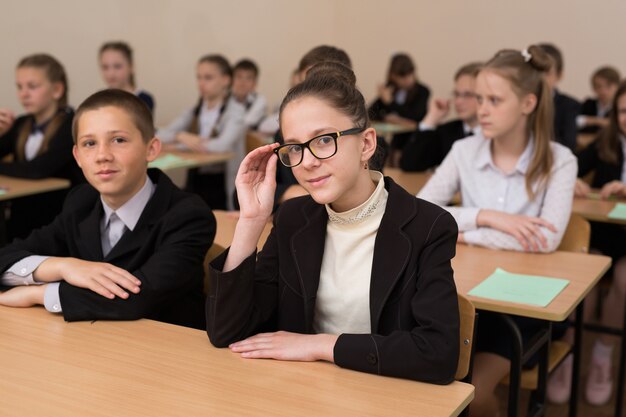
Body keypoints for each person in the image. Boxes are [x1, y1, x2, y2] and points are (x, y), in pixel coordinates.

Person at [206, 62, 460, 384]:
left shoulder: (428, 226)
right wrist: (251, 222)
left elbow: (438, 353)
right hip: (301, 391)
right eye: (295, 147)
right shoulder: (293, 218)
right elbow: (227, 331)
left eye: (324, 140)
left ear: (366, 144)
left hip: (385, 394)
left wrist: (319, 345)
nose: (308, 162)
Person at [418, 46, 577, 416]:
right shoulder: (463, 150)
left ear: (528, 103)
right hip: (464, 293)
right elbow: (422, 213)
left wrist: (460, 229)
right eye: (478, 98)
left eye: (494, 99)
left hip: (521, 305)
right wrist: (488, 217)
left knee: (471, 393)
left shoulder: (560, 160)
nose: (481, 109)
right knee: (431, 384)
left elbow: (545, 239)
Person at [0, 89, 215, 330]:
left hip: (165, 354)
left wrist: (38, 294)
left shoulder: (188, 215)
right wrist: (64, 266)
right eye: (89, 144)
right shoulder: (81, 202)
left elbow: (137, 298)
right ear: (78, 157)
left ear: (151, 149)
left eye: (118, 140)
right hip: (92, 345)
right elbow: (6, 256)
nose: (102, 155)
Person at [547, 80, 626, 406]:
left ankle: (602, 355)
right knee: (582, 276)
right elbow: (569, 165)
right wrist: (575, 180)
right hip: (604, 236)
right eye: (622, 111)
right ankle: (567, 349)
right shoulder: (605, 142)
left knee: (624, 281)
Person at [0, 53, 83, 240]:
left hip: (59, 217)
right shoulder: (21, 124)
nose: (24, 93)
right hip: (24, 213)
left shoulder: (72, 124)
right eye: (19, 87)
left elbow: (37, 170)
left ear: (57, 90)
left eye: (32, 86)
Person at [157, 54, 246, 210]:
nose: (201, 83)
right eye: (199, 77)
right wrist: (180, 136)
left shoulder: (236, 112)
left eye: (208, 78)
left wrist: (182, 144)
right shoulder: (196, 110)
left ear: (225, 80)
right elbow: (160, 134)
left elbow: (222, 145)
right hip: (196, 178)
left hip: (222, 183)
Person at [401, 62, 482, 172]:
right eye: (456, 94)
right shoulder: (447, 132)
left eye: (467, 95)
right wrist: (431, 118)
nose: (458, 101)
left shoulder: (497, 137)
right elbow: (409, 164)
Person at [369, 53, 430, 164]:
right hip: (395, 140)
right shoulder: (392, 89)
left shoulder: (422, 91)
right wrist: (384, 104)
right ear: (393, 76)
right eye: (402, 77)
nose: (407, 80)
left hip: (413, 141)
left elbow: (416, 116)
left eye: (410, 75)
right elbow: (371, 112)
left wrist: (391, 103)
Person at [539, 43, 581, 152]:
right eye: (536, 72)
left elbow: (569, 143)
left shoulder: (569, 105)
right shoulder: (520, 102)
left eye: (547, 73)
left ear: (559, 75)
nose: (541, 78)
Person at [99, 41, 155, 113]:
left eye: (117, 66)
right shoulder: (99, 100)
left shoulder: (144, 99)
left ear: (131, 67)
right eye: (105, 67)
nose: (111, 73)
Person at [577, 66, 621, 134]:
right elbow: (574, 121)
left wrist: (591, 121)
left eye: (608, 86)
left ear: (618, 86)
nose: (603, 91)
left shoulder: (620, 107)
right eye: (598, 86)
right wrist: (599, 121)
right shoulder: (588, 104)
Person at [231, 59, 268, 129]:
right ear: (232, 80)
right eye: (239, 77)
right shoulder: (225, 99)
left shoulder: (260, 101)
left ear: (255, 83)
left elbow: (247, 123)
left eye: (248, 78)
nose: (243, 82)